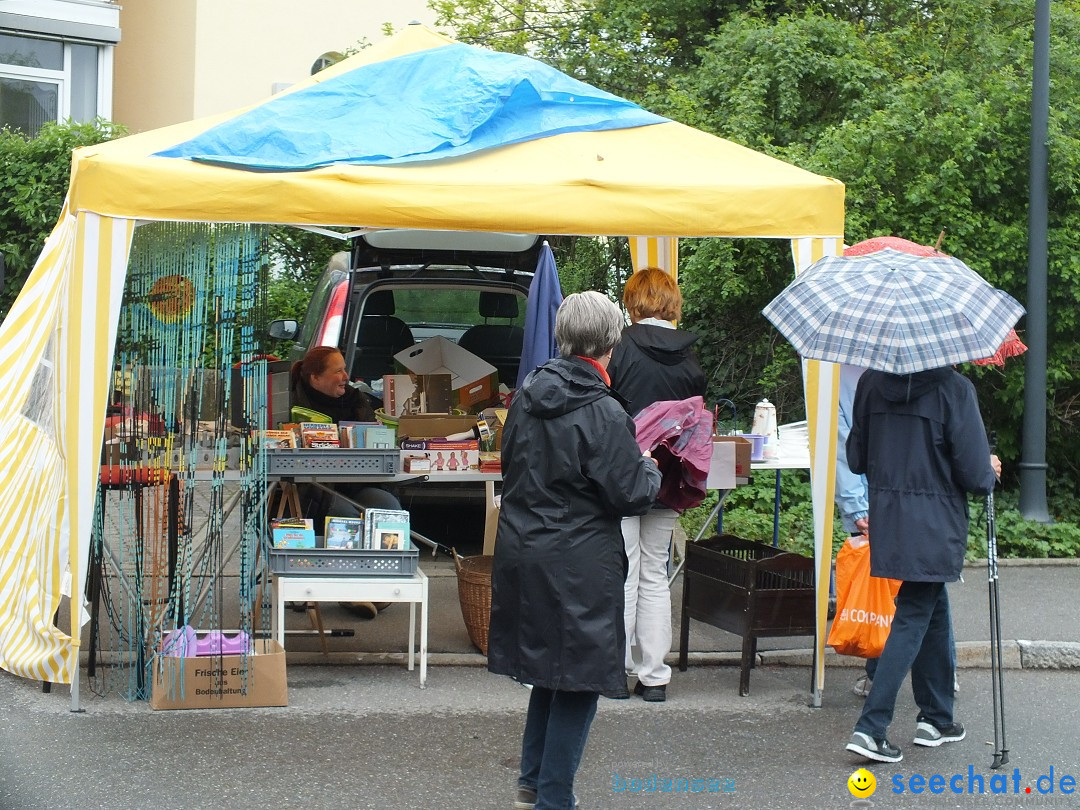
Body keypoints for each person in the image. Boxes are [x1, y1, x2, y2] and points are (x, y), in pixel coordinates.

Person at [487, 291, 662, 810]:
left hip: (524, 549)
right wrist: (648, 464)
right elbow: (630, 494)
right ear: (611, 343)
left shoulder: (524, 397)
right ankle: (554, 798)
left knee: (551, 671)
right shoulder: (602, 411)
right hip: (577, 559)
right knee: (579, 679)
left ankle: (533, 781)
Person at [844, 366, 1000, 764]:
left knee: (931, 603)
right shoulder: (955, 389)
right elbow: (975, 475)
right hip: (936, 519)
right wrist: (990, 469)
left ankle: (937, 717)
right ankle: (871, 727)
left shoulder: (870, 383)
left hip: (890, 515)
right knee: (915, 611)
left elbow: (857, 458)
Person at [606, 267, 706, 703]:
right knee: (655, 574)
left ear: (633, 301)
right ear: (671, 302)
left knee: (622, 573)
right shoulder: (690, 359)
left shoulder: (620, 349)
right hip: (669, 478)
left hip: (624, 477)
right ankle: (654, 676)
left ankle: (613, 669)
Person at [289, 346, 401, 619]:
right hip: (311, 491)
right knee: (347, 517)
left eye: (344, 369)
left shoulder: (355, 398)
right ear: (316, 378)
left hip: (354, 483)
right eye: (337, 370)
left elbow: (373, 442)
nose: (345, 376)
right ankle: (349, 591)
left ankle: (378, 586)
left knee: (388, 507)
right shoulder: (293, 402)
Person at [834, 364, 875, 697]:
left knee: (879, 584)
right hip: (920, 498)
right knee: (926, 591)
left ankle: (877, 670)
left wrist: (856, 506)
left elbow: (841, 440)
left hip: (870, 492)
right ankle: (940, 674)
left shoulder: (839, 370)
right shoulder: (920, 360)